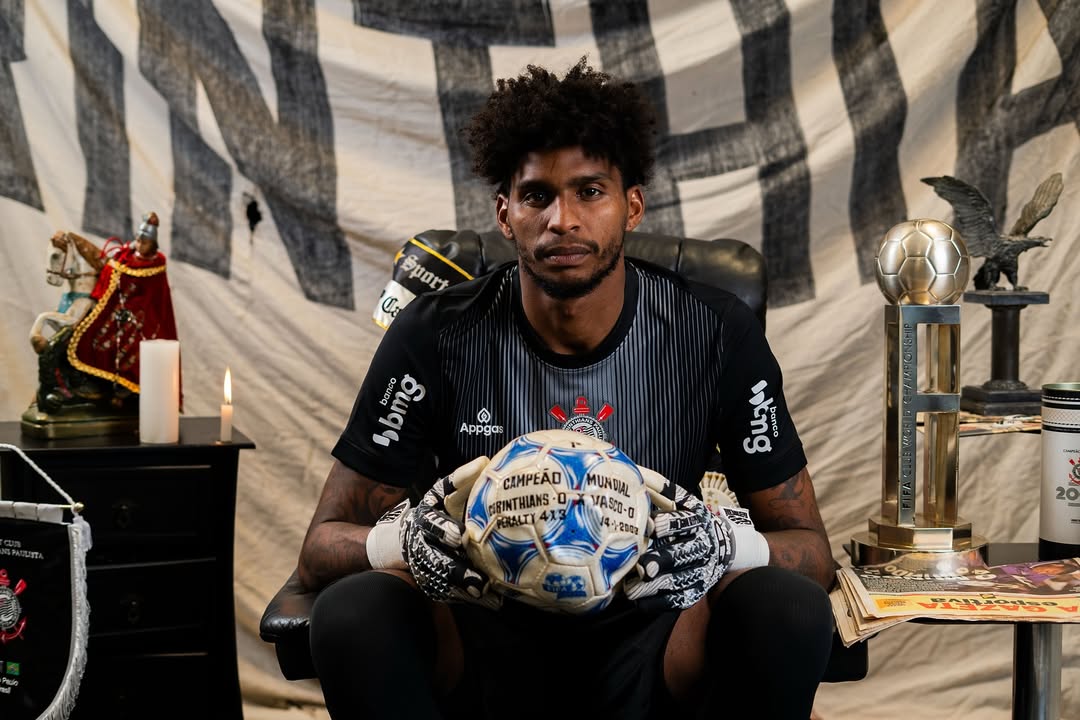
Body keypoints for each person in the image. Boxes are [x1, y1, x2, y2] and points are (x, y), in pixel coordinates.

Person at [299, 58, 835, 720]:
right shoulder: (435, 333)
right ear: (504, 213)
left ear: (631, 205)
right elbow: (321, 547)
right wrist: (401, 541)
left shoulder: (714, 331)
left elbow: (812, 552)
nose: (562, 219)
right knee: (352, 612)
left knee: (789, 607)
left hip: (658, 635)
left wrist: (727, 546)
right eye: (536, 196)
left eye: (589, 191)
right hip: (481, 629)